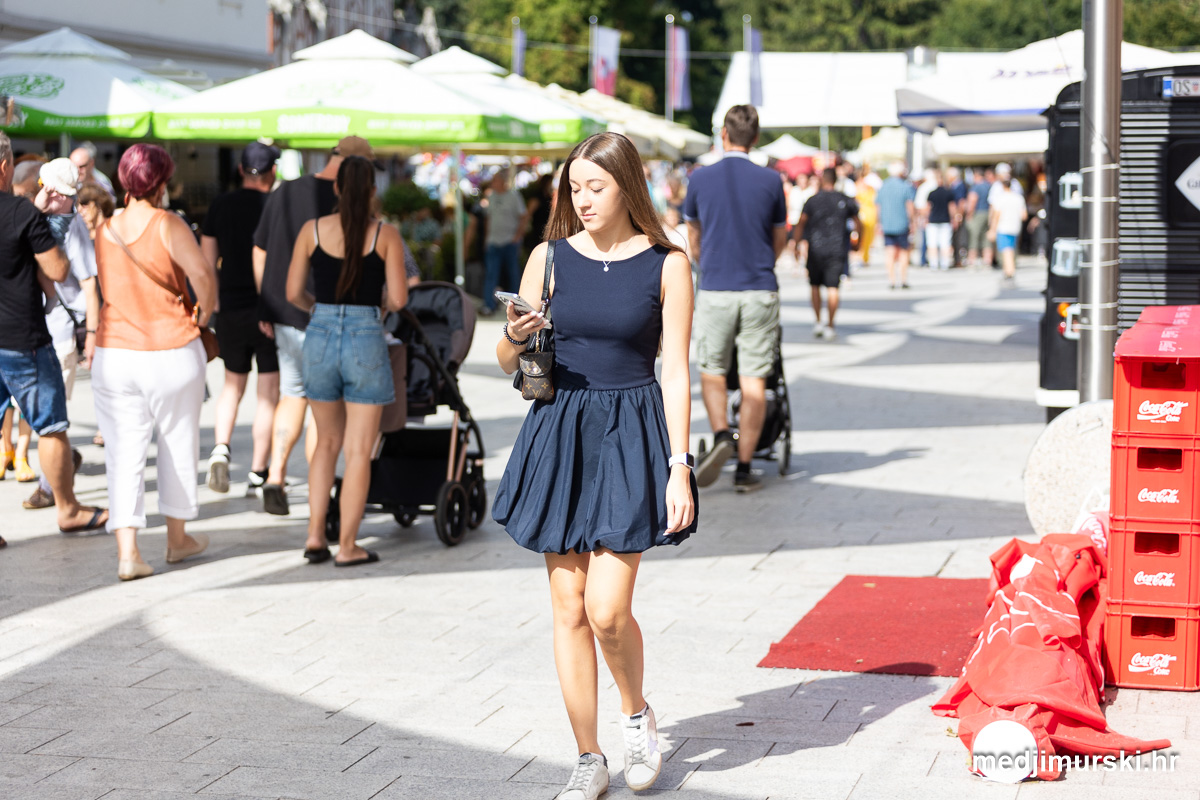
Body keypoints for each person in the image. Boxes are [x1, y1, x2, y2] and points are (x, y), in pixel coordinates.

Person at [493, 131, 696, 800]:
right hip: (561, 432)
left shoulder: (668, 264)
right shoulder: (547, 258)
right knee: (568, 607)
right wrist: (515, 335)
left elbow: (676, 371)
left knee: (608, 609)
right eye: (574, 187)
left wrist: (680, 464)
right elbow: (510, 362)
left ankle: (636, 714)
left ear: (627, 186)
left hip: (632, 432)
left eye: (595, 187)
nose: (581, 199)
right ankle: (588, 756)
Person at [92, 144, 215, 580]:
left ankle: (128, 553)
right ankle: (177, 539)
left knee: (123, 452)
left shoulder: (105, 229)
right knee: (177, 441)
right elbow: (202, 277)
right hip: (171, 349)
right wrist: (205, 314)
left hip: (115, 352)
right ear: (161, 182)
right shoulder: (169, 224)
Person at [286, 155, 407, 566]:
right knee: (357, 450)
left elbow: (292, 293)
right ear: (372, 190)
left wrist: (320, 310)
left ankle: (315, 536)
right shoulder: (385, 234)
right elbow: (399, 298)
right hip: (365, 336)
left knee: (325, 444)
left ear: (336, 188)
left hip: (319, 334)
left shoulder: (312, 230)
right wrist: (379, 307)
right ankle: (348, 546)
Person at [253, 135, 371, 515]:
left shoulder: (286, 190)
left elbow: (259, 250)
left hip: (282, 312)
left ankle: (275, 476)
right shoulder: (345, 200)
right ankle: (320, 493)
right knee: (323, 405)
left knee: (292, 394)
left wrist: (267, 301)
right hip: (326, 316)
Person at [0, 131, 108, 539]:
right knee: (51, 427)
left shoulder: (24, 211)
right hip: (21, 338)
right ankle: (68, 509)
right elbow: (59, 271)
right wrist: (45, 225)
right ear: (5, 167)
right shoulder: (21, 214)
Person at [684, 105, 788, 493]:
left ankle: (721, 435)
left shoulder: (699, 177)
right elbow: (780, 238)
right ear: (756, 138)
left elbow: (693, 234)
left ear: (723, 134)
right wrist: (762, 263)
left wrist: (705, 263)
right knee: (754, 379)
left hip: (716, 287)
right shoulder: (772, 180)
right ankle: (744, 468)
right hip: (759, 287)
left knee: (712, 369)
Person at [13, 159, 99, 510]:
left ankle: (50, 487)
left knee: (51, 415)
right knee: (36, 413)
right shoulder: (34, 219)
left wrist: (92, 334)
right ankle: (66, 460)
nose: (48, 195)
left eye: (55, 191)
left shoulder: (72, 228)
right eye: (43, 187)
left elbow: (89, 285)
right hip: (34, 332)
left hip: (60, 332)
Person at [202, 142, 281, 497]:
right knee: (268, 394)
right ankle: (258, 473)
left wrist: (214, 302)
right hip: (268, 311)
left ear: (240, 170)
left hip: (230, 308)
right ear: (272, 172)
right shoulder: (276, 206)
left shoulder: (221, 204)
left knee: (232, 386)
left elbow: (207, 263)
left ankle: (221, 448)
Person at [793, 168, 859, 341]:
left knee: (814, 285)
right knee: (833, 287)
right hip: (837, 248)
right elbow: (858, 222)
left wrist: (796, 243)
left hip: (816, 248)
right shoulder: (844, 199)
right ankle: (830, 324)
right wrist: (857, 241)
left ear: (822, 180)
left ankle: (818, 322)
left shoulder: (813, 200)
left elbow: (801, 222)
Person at [480, 171, 529, 316]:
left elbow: (523, 216)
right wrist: (487, 238)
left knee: (513, 274)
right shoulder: (492, 196)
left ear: (502, 182)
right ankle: (488, 304)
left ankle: (517, 307)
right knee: (491, 274)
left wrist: (517, 236)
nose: (492, 183)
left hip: (510, 241)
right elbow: (489, 218)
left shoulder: (514, 196)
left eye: (495, 180)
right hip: (493, 241)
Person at [876, 160, 915, 290]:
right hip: (902, 223)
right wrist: (912, 222)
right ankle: (903, 279)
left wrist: (878, 223)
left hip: (887, 224)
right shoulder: (905, 186)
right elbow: (910, 206)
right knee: (904, 252)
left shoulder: (883, 186)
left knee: (889, 252)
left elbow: (878, 206)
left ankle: (892, 280)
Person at [988, 173, 1027, 285]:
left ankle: (1009, 272)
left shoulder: (1000, 198)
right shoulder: (1019, 198)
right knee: (1011, 249)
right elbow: (1024, 215)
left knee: (1006, 250)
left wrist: (992, 229)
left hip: (1003, 227)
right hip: (1015, 226)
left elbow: (996, 215)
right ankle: (1007, 271)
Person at [924, 171, 956, 271]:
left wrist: (925, 219)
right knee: (945, 243)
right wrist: (954, 218)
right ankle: (944, 263)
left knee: (932, 243)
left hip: (933, 221)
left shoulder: (932, 193)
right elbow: (952, 208)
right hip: (945, 220)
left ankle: (933, 263)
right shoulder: (948, 192)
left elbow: (928, 208)